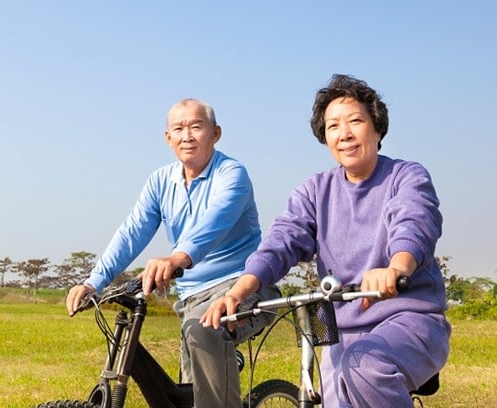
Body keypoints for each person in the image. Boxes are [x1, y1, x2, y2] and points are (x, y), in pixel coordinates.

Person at [201, 74, 451, 408]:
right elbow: (282, 240)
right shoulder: (315, 190)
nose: (344, 134)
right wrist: (238, 292)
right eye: (333, 126)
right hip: (339, 330)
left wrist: (396, 267)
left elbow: (414, 221)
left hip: (409, 319)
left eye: (355, 121)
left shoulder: (406, 176)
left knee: (365, 364)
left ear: (377, 128)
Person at [66, 98, 279, 407]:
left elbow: (214, 222)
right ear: (168, 138)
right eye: (178, 128)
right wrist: (93, 282)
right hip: (192, 299)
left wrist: (177, 257)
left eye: (196, 126)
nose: (187, 136)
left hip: (243, 288)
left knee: (207, 344)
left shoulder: (232, 174)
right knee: (189, 395)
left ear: (216, 133)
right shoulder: (160, 181)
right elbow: (133, 230)